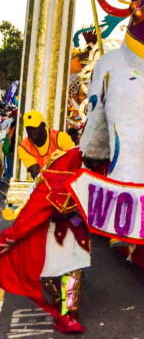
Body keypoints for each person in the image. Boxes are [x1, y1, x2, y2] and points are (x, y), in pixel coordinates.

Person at [0, 147, 90, 333]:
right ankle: (61, 307)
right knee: (50, 271)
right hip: (50, 226)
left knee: (74, 269)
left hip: (76, 226)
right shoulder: (59, 166)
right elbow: (34, 207)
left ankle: (68, 313)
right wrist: (13, 236)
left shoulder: (96, 163)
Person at [17, 110, 75, 180]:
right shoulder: (24, 147)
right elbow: (36, 175)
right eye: (28, 128)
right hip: (45, 183)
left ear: (43, 126)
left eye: (34, 128)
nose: (31, 131)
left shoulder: (60, 137)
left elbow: (74, 161)